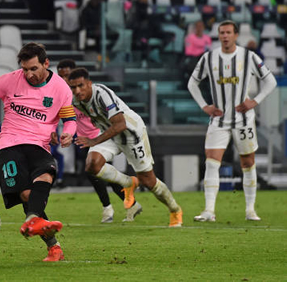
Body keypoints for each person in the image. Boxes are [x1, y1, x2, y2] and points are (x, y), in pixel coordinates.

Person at [0, 42, 77, 262]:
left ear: (46, 63)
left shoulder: (61, 88)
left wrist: (68, 133)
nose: (28, 74)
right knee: (26, 195)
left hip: (38, 145)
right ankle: (51, 243)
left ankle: (34, 222)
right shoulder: (9, 80)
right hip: (9, 144)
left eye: (33, 69)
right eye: (25, 69)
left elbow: (69, 119)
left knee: (46, 174)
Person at [68, 67, 183, 227]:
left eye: (80, 85)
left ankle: (175, 209)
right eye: (73, 87)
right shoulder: (75, 100)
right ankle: (128, 182)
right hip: (110, 134)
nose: (77, 90)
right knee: (92, 165)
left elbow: (120, 124)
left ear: (89, 83)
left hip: (131, 134)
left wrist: (94, 141)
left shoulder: (101, 94)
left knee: (149, 181)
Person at [187, 20, 277, 222]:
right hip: (219, 120)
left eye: (228, 32)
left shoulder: (248, 56)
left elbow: (270, 81)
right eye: (221, 33)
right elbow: (192, 83)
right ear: (218, 35)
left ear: (236, 35)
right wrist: (204, 105)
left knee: (248, 162)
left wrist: (254, 101)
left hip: (243, 120)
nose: (225, 36)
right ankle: (209, 211)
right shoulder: (209, 58)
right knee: (211, 163)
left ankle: (250, 210)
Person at [56, 59, 140, 223]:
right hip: (82, 139)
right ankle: (131, 204)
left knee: (93, 172)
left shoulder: (86, 94)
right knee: (102, 176)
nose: (64, 80)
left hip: (99, 137)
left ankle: (108, 209)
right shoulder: (63, 96)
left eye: (66, 76)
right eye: (61, 76)